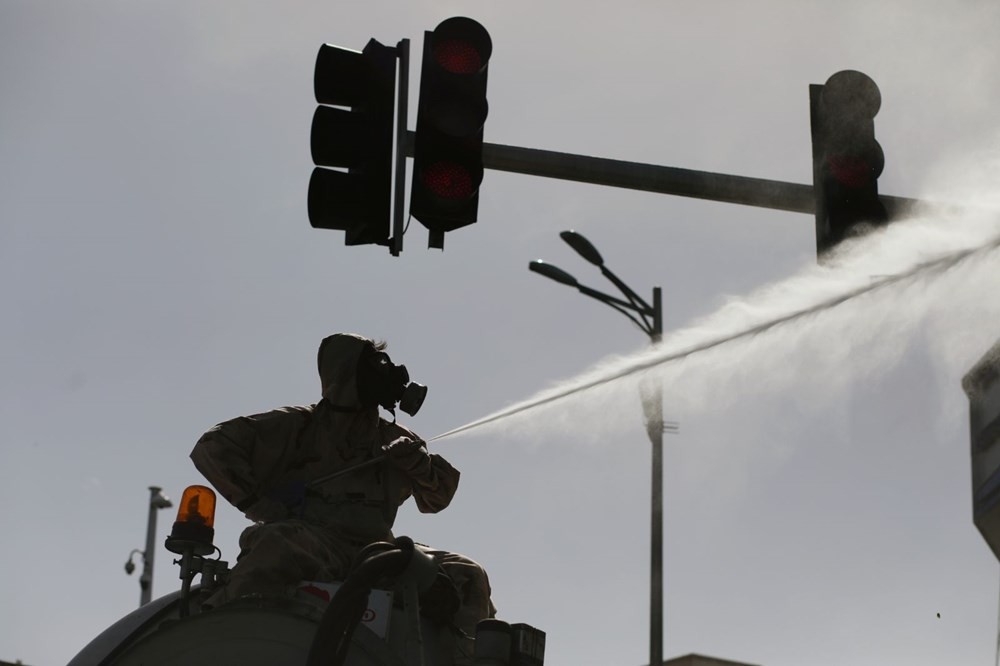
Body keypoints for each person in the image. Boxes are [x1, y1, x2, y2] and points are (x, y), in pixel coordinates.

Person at [190, 332, 495, 656]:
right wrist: (261, 506)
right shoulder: (297, 426)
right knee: (274, 544)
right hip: (316, 544)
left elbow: (438, 499)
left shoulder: (395, 437)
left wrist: (419, 466)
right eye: (375, 366)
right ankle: (229, 646)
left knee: (467, 574)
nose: (389, 374)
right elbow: (212, 447)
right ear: (347, 375)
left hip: (379, 552)